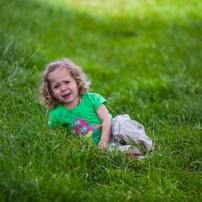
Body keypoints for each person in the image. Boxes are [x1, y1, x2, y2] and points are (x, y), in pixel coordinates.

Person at [41, 58, 152, 157]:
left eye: (67, 82)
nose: (63, 88)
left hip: (111, 130)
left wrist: (104, 140)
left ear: (77, 81)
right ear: (50, 91)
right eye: (57, 86)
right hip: (97, 147)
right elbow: (55, 138)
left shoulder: (92, 99)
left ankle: (146, 145)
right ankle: (137, 153)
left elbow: (106, 119)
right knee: (113, 153)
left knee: (122, 124)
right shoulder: (56, 114)